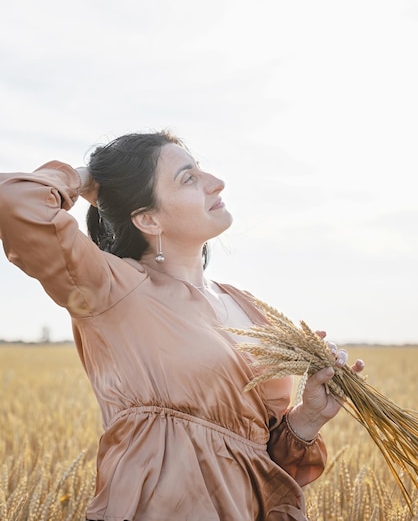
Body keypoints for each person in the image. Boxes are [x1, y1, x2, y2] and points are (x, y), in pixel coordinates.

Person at [0, 130, 364, 521]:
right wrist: (89, 178)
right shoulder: (112, 287)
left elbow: (259, 458)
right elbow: (14, 200)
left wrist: (307, 419)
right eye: (188, 178)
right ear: (148, 219)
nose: (216, 183)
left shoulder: (250, 309)